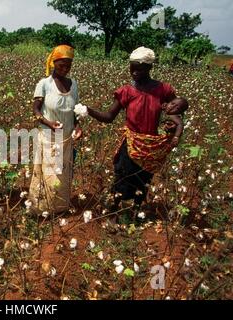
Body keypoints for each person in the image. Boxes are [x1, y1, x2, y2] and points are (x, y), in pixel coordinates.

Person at [86, 47, 183, 213]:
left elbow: (177, 110)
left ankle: (136, 210)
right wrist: (88, 110)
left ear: (150, 68)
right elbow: (109, 117)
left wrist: (174, 124)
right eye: (132, 67)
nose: (134, 72)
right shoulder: (126, 91)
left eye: (139, 68)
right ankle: (114, 212)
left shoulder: (163, 90)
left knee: (144, 178)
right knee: (122, 176)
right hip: (131, 144)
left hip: (151, 145)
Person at [29, 44, 83, 215]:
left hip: (67, 138)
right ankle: (43, 208)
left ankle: (60, 207)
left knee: (63, 173)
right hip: (48, 137)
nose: (65, 69)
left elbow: (75, 111)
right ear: (53, 63)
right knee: (50, 173)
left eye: (68, 65)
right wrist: (48, 122)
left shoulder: (73, 84)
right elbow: (35, 110)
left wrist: (78, 126)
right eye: (61, 65)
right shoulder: (44, 84)